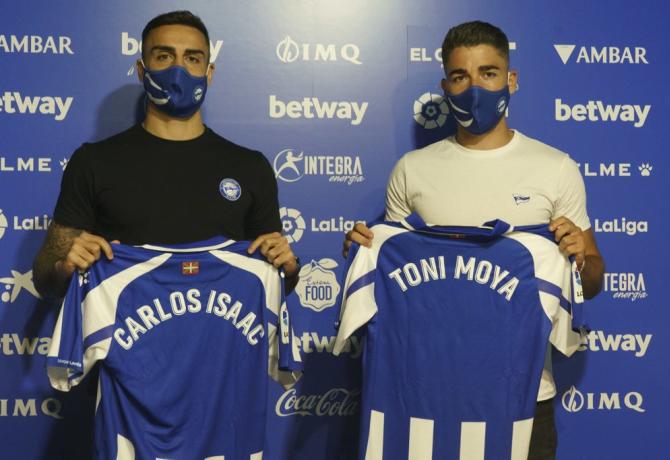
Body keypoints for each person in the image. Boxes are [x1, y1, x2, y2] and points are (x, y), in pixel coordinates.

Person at [343, 20, 604, 459]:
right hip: (424, 394)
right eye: (461, 76)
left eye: (488, 73)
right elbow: (393, 276)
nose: (475, 88)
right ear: (446, 85)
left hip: (522, 392)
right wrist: (365, 250)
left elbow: (593, 280)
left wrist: (581, 258)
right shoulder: (413, 169)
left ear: (511, 80)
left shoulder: (556, 168)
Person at [33, 10, 299, 299]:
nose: (178, 70)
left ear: (209, 73)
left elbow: (275, 283)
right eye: (164, 57)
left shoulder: (250, 167)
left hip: (221, 342)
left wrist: (289, 268)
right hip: (124, 342)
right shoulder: (93, 162)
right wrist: (66, 266)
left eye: (193, 58)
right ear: (141, 70)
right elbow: (45, 279)